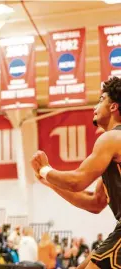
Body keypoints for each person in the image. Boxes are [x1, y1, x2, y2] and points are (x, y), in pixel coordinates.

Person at [31, 76, 121, 269]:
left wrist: (46, 170)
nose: (95, 107)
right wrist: (50, 181)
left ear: (113, 106)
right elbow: (95, 202)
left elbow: (77, 180)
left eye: (101, 99)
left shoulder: (112, 138)